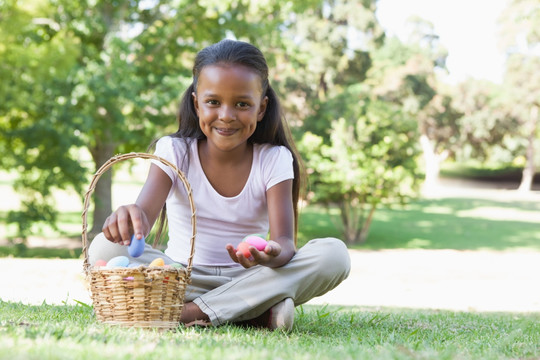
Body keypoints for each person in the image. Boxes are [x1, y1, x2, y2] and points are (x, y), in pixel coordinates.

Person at [88, 39, 351, 331]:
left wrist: (273, 253)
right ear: (196, 103)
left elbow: (285, 243)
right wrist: (129, 219)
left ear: (261, 108)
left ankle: (189, 313)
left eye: (242, 104)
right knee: (103, 246)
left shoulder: (274, 158)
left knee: (334, 255)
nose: (226, 115)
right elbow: (143, 221)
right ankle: (254, 312)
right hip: (180, 277)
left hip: (250, 278)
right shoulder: (174, 151)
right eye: (213, 102)